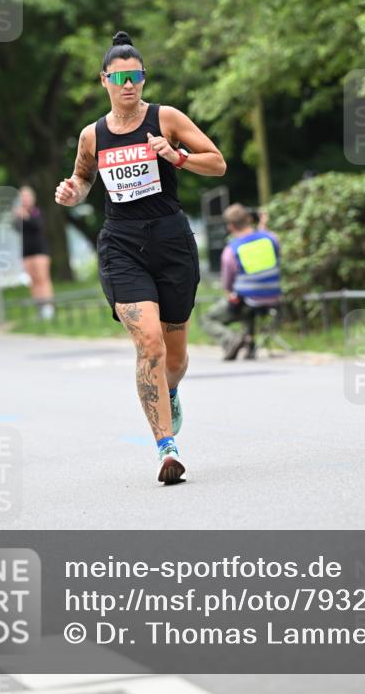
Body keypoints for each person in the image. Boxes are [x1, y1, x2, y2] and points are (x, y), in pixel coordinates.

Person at [55, 31, 226, 484]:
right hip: (122, 246)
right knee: (148, 341)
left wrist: (178, 156)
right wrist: (73, 193)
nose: (129, 85)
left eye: (137, 76)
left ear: (144, 80)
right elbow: (83, 178)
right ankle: (166, 448)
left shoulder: (165, 118)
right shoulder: (92, 134)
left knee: (174, 353)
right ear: (105, 80)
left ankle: (169, 391)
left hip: (170, 242)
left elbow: (218, 163)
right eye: (121, 77)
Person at [201, 203, 282, 361]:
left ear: (230, 226)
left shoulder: (232, 249)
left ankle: (230, 339)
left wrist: (230, 294)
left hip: (247, 300)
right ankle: (249, 344)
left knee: (208, 317)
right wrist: (263, 227)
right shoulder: (271, 238)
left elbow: (228, 284)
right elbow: (275, 250)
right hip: (274, 297)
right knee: (247, 301)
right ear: (249, 219)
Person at [13, 186, 54, 319]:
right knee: (33, 281)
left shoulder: (36, 211)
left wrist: (26, 217)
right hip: (26, 251)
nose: (24, 199)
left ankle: (48, 308)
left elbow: (38, 225)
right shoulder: (20, 213)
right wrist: (17, 217)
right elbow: (16, 229)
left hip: (40, 250)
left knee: (43, 279)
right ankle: (39, 308)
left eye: (26, 196)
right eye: (22, 197)